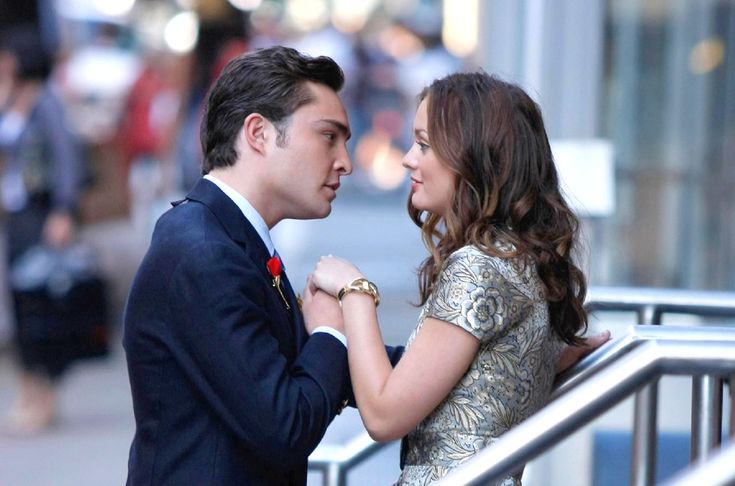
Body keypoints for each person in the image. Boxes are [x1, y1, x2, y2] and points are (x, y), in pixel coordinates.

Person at [122, 46, 404, 485]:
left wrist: (495, 356)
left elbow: (311, 367)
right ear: (259, 133)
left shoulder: (224, 237)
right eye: (329, 136)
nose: (345, 162)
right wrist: (333, 326)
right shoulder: (204, 252)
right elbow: (286, 424)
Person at [308, 71, 599, 485]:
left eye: (424, 144)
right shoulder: (519, 258)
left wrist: (354, 292)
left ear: (475, 155)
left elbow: (384, 415)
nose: (408, 158)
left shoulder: (479, 266)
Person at [0, 25, 83, 434]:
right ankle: (28, 390)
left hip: (40, 212)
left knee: (39, 307)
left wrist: (64, 209)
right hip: (15, 216)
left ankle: (45, 396)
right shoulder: (11, 101)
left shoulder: (46, 103)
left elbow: (66, 157)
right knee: (18, 304)